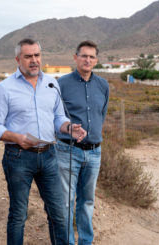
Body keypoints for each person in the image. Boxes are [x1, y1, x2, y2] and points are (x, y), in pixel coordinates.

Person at [0, 38, 87, 245]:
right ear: (18, 59)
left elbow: (59, 117)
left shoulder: (52, 83)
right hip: (18, 158)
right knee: (18, 215)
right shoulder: (5, 88)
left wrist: (70, 128)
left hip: (50, 156)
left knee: (59, 213)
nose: (34, 60)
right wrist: (17, 138)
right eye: (28, 56)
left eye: (37, 55)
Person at [55, 40, 109, 245]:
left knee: (87, 202)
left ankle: (86, 241)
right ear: (75, 57)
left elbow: (101, 115)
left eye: (92, 56)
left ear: (96, 60)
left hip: (94, 153)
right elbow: (55, 116)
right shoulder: (62, 84)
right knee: (66, 202)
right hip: (67, 151)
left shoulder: (103, 85)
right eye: (84, 55)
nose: (87, 60)